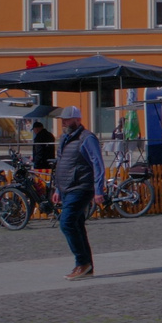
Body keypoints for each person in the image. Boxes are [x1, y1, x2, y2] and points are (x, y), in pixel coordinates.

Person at [49, 107, 104, 280]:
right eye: (62, 120)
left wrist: (98, 190)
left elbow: (98, 163)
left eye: (67, 120)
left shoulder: (87, 138)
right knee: (77, 226)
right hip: (66, 188)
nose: (63, 122)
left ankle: (82, 263)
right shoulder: (65, 138)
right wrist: (58, 189)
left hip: (81, 187)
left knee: (66, 223)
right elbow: (60, 163)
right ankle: (86, 266)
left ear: (78, 120)